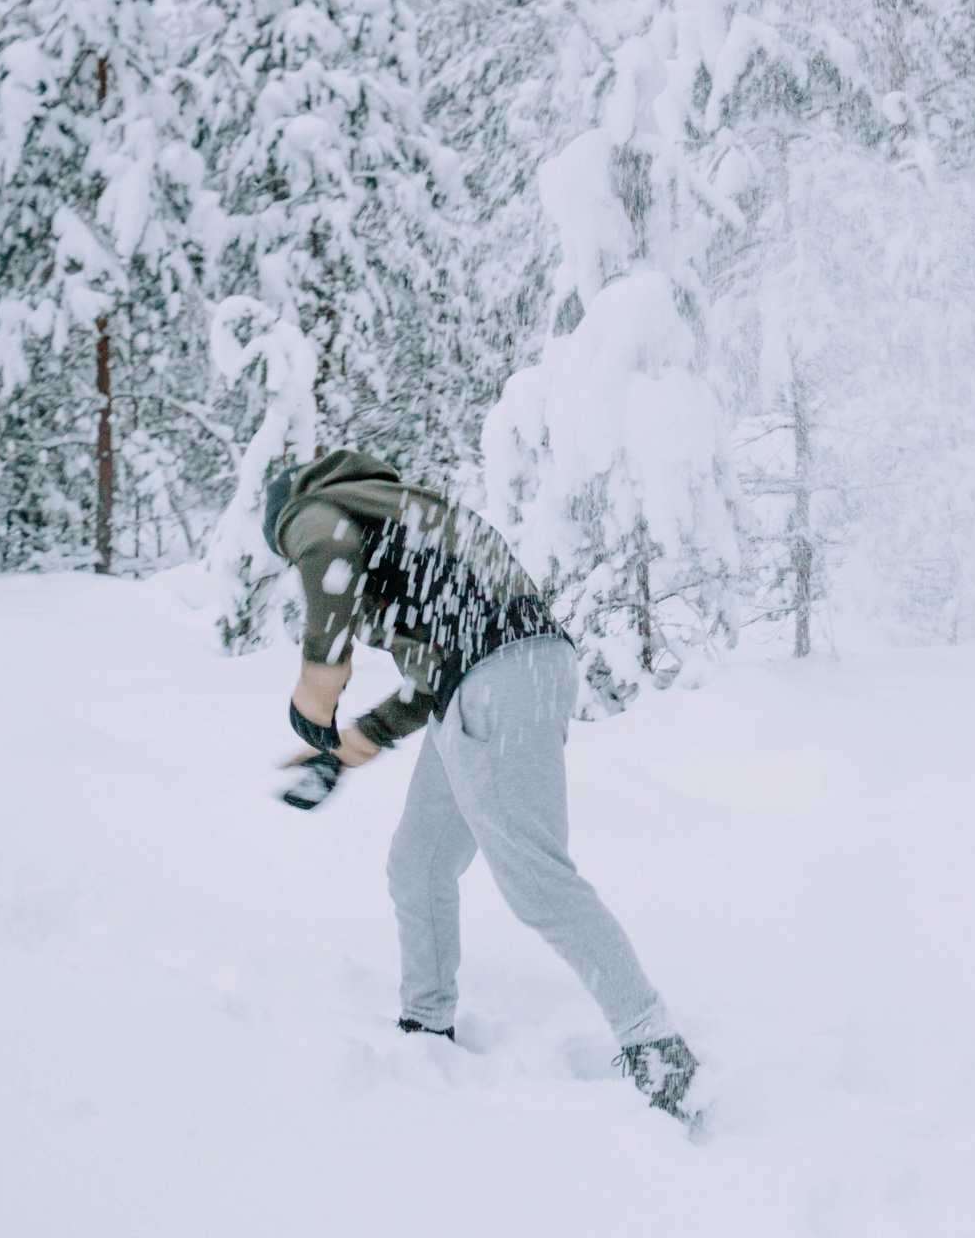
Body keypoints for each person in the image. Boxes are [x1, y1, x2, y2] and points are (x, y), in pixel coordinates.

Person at [262, 450, 702, 1124]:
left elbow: (330, 558)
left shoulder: (315, 510)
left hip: (497, 669)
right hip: (500, 670)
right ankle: (425, 1026)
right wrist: (347, 748)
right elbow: (436, 669)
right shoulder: (399, 511)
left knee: (536, 878)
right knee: (420, 862)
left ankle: (655, 1044)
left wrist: (318, 684)